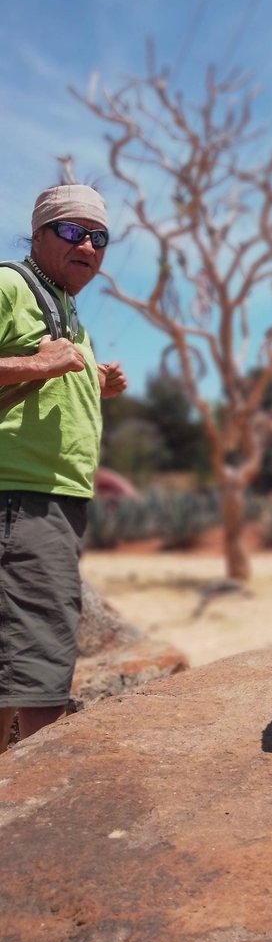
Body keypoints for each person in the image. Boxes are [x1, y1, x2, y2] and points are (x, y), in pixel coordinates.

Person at [0, 184, 127, 753]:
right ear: (39, 234)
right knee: (39, 658)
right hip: (21, 496)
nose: (89, 247)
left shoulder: (66, 308)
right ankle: (38, 801)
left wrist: (95, 382)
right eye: (73, 232)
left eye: (99, 237)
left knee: (17, 656)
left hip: (44, 497)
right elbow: (37, 365)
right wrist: (38, 361)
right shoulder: (10, 284)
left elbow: (46, 380)